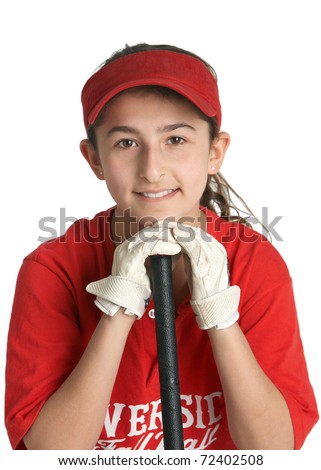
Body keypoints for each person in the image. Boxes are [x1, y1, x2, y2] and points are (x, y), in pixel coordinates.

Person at [5, 43, 319, 450]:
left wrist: (221, 317)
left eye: (175, 138)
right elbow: (50, 454)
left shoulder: (255, 262)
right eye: (126, 143)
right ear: (94, 159)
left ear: (215, 152)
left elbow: (274, 451)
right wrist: (118, 308)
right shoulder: (55, 269)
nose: (152, 170)